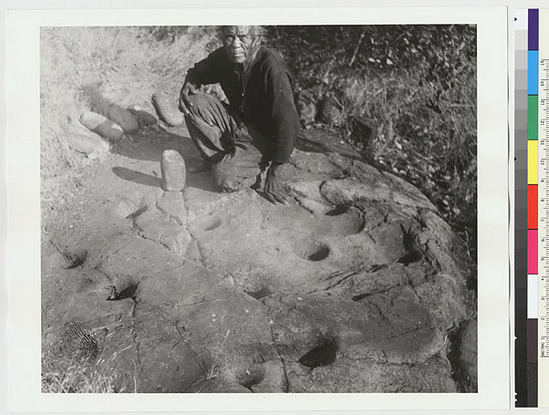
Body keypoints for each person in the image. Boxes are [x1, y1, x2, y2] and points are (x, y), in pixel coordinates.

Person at [178, 26, 300, 204]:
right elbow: (196, 73)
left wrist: (275, 171)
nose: (235, 44)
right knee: (193, 102)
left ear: (257, 39)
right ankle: (222, 158)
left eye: (243, 37)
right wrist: (189, 84)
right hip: (239, 123)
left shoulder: (271, 66)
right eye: (229, 37)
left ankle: (256, 169)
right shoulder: (223, 57)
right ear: (223, 39)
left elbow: (288, 121)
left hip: (264, 140)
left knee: (224, 179)